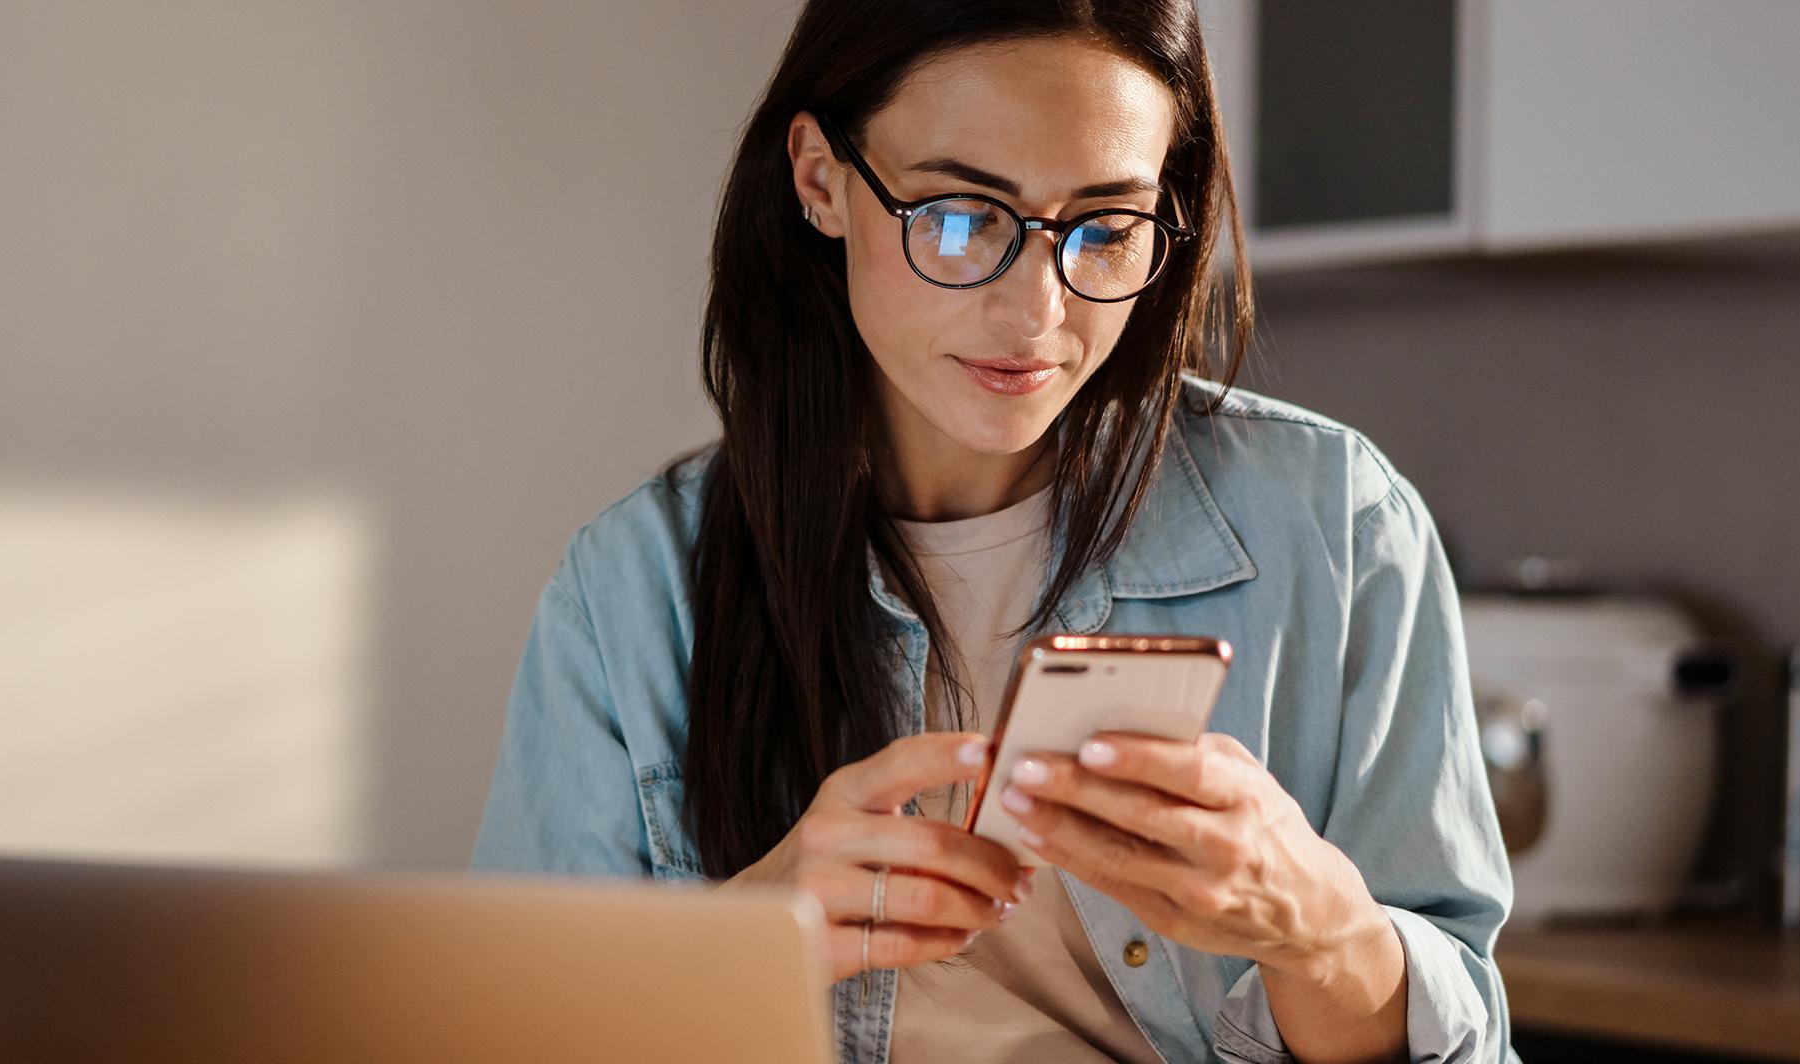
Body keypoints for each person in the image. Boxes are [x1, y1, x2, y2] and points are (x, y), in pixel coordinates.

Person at [470, 1, 1514, 1061]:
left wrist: (1320, 931)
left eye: (1104, 229)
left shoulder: (1336, 525)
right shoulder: (631, 591)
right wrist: (741, 932)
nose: (1036, 315)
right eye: (962, 218)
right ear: (819, 180)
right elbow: (496, 1031)